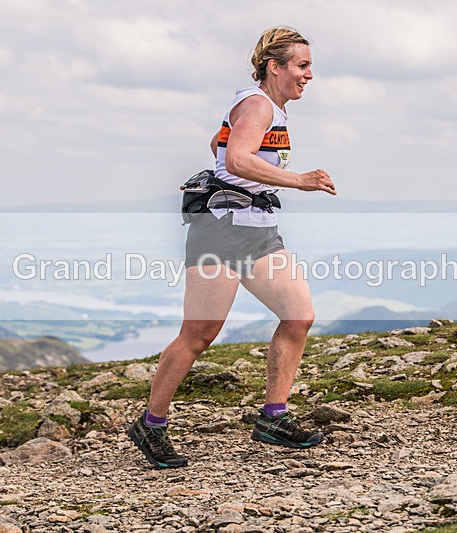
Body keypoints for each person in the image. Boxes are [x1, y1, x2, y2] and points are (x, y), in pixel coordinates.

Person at [128, 26, 336, 468]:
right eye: (301, 66)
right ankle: (151, 424)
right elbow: (238, 158)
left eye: (309, 66)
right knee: (199, 335)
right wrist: (299, 180)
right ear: (274, 67)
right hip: (221, 231)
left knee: (298, 317)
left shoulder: (266, 108)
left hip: (257, 229)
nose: (309, 75)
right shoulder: (259, 105)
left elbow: (221, 147)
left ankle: (273, 419)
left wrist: (232, 167)